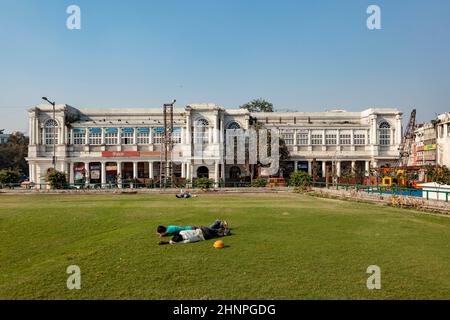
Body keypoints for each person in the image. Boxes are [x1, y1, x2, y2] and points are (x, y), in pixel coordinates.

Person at [159, 220, 230, 245]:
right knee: (212, 229)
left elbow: (181, 242)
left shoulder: (187, 240)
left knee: (215, 233)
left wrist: (167, 242)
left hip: (203, 235)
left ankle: (222, 230)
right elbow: (174, 239)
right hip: (200, 229)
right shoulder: (182, 232)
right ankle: (219, 224)